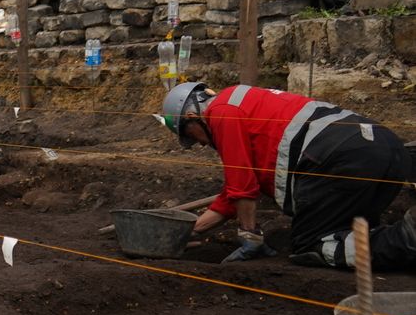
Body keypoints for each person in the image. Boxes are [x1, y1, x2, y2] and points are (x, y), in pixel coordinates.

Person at [161, 82, 415, 268]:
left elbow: (242, 185)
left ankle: (406, 240)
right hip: (383, 149)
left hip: (341, 158)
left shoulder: (222, 113)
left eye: (190, 136)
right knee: (347, 228)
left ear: (193, 117)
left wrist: (249, 235)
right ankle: (395, 240)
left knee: (310, 244)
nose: (200, 144)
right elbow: (235, 191)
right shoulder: (239, 101)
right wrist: (190, 231)